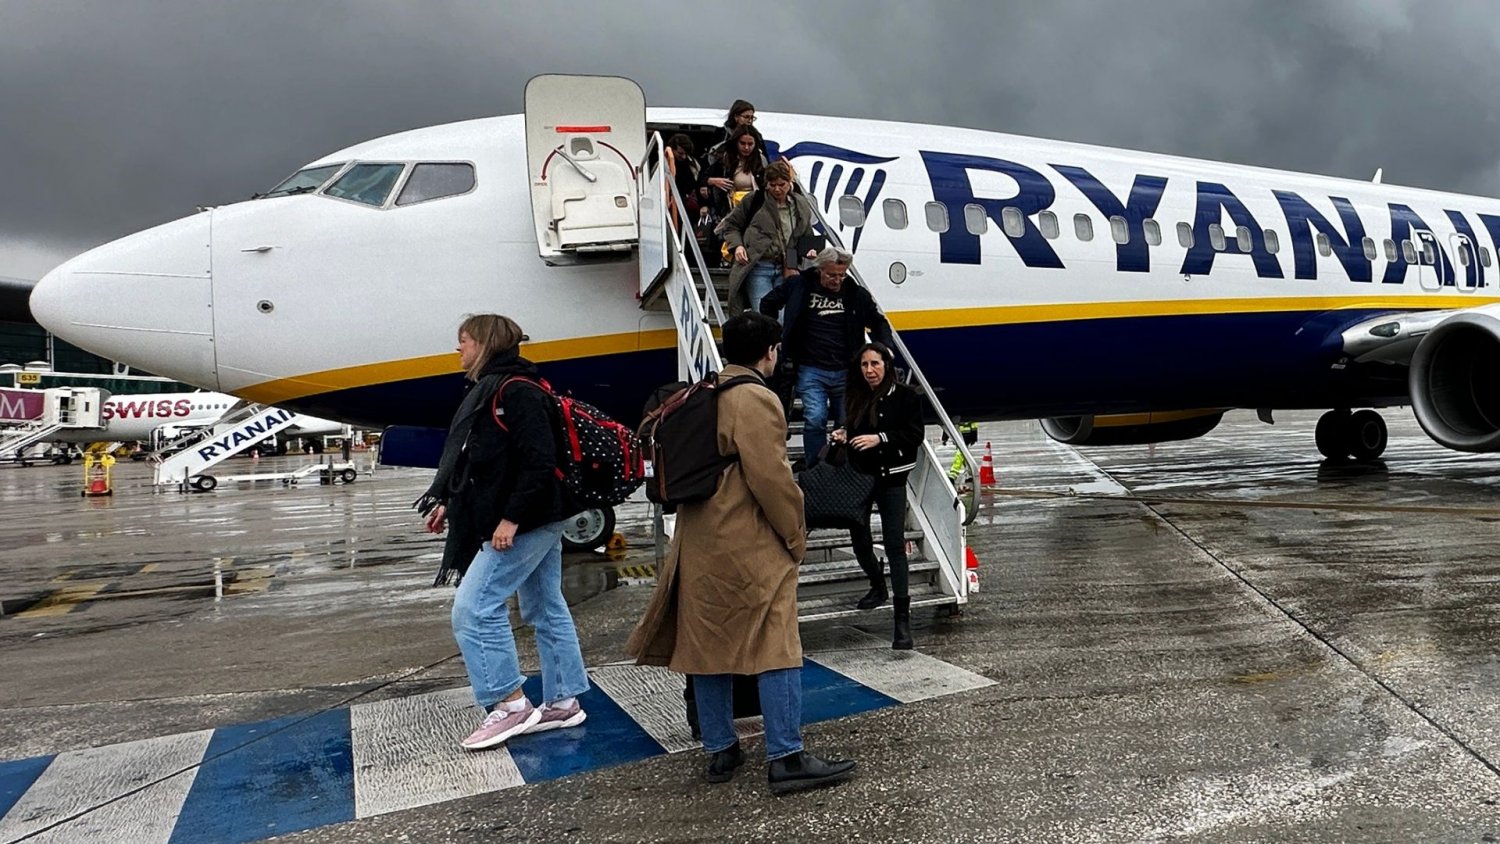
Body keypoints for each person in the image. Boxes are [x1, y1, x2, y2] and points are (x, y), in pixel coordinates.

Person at [626, 311, 857, 795]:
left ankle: (720, 749)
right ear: (769, 351)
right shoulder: (755, 399)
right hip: (744, 537)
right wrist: (795, 536)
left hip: (698, 536)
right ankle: (786, 757)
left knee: (706, 646)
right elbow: (772, 480)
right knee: (777, 643)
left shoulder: (704, 393)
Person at [413, 314, 590, 751]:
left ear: (485, 344)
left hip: (529, 519)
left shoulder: (517, 392)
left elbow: (538, 461)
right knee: (545, 607)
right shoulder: (494, 390)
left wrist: (510, 518)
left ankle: (509, 705)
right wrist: (451, 504)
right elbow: (484, 466)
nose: (459, 349)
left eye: (464, 341)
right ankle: (564, 702)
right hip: (536, 515)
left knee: (473, 609)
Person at [759, 247, 893, 467]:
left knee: (846, 422)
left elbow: (878, 321)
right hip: (811, 368)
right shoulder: (799, 286)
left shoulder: (856, 294)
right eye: (832, 275)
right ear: (820, 269)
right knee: (815, 418)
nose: (837, 280)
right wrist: (775, 335)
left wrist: (885, 348)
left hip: (846, 369)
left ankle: (842, 466)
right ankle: (816, 467)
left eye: (842, 275)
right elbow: (768, 303)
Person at [832, 342, 924, 649]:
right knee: (859, 540)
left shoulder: (906, 397)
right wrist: (844, 433)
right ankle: (876, 582)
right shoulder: (856, 396)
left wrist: (880, 438)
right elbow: (852, 426)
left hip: (892, 478)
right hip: (861, 478)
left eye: (875, 364)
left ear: (886, 365)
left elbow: (914, 435)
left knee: (895, 545)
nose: (869, 370)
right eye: (864, 365)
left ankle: (902, 622)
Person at [719, 160, 817, 313]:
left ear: (789, 183)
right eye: (772, 185)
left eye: (782, 184)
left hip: (786, 266)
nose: (777, 189)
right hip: (757, 265)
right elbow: (731, 225)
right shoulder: (754, 200)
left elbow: (805, 234)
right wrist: (737, 246)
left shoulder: (800, 204)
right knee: (764, 313)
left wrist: (810, 250)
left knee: (786, 317)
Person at [703, 126, 765, 218]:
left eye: (750, 144)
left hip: (755, 211)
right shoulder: (725, 160)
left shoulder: (761, 161)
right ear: (736, 143)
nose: (746, 147)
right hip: (731, 211)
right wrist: (713, 181)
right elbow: (702, 177)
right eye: (742, 143)